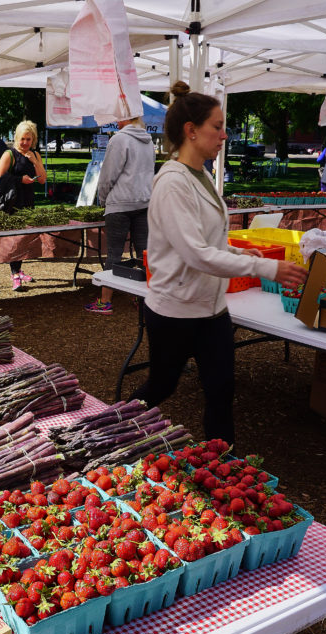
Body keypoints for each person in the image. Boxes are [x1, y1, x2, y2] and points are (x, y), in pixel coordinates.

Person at [131, 81, 306, 443]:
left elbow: (210, 241)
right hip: (175, 312)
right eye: (217, 126)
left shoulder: (203, 176)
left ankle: (222, 465)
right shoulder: (172, 183)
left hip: (212, 311)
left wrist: (242, 253)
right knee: (161, 387)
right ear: (191, 131)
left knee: (221, 391)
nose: (225, 134)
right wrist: (265, 267)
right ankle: (110, 428)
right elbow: (196, 253)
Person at [86, 115, 154, 315]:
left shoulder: (119, 139)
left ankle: (105, 301)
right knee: (144, 253)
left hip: (120, 203)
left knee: (114, 254)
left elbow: (108, 175)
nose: (116, 122)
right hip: (144, 201)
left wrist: (103, 199)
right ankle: (143, 299)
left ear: (126, 120)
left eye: (119, 118)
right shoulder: (148, 141)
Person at [0, 120, 46, 291]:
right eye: (22, 139)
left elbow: (43, 179)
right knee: (15, 238)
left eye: (28, 139)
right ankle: (14, 273)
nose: (25, 143)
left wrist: (35, 162)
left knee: (24, 238)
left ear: (33, 139)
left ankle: (18, 269)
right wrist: (19, 179)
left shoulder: (35, 155)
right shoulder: (10, 154)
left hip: (28, 201)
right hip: (12, 202)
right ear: (16, 138)